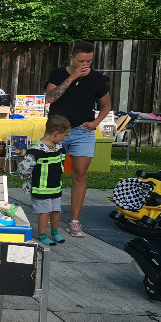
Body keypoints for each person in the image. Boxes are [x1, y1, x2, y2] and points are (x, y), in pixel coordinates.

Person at [45, 41, 111, 237]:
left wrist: (96, 122)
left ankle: (74, 220)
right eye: (81, 60)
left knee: (80, 174)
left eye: (89, 60)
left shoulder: (98, 79)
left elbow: (106, 106)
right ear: (72, 58)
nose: (85, 64)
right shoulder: (58, 74)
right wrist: (72, 77)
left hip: (83, 130)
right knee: (51, 171)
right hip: (57, 130)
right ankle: (47, 213)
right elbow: (50, 98)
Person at [18, 115, 72, 246]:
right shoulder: (37, 149)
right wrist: (27, 179)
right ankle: (42, 235)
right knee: (45, 212)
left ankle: (55, 232)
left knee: (56, 210)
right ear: (56, 133)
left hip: (55, 186)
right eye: (64, 135)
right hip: (41, 188)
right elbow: (24, 167)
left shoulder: (59, 147)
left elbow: (62, 162)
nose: (65, 138)